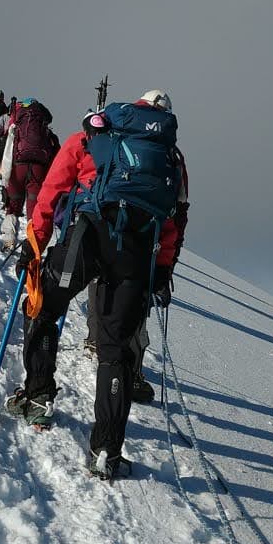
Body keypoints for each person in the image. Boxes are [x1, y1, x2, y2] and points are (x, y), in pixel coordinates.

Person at [5, 90, 186, 479]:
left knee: (43, 305)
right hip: (138, 253)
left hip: (89, 234)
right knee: (115, 350)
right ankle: (106, 451)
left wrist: (35, 243)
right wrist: (163, 271)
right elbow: (174, 221)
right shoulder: (172, 159)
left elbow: (53, 190)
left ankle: (38, 396)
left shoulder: (95, 134)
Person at [83, 145, 188, 405]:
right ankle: (131, 370)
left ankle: (95, 339)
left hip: (106, 227)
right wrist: (166, 267)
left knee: (102, 283)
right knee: (135, 302)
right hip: (145, 242)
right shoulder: (171, 157)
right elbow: (178, 209)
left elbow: (88, 180)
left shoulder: (116, 140)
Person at [0, 97, 59, 249]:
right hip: (38, 171)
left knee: (13, 206)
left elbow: (0, 149)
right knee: (33, 211)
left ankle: (9, 240)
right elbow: (56, 157)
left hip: (16, 169)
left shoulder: (14, 128)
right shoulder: (46, 133)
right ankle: (32, 247)